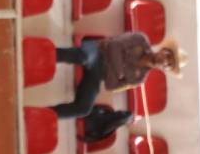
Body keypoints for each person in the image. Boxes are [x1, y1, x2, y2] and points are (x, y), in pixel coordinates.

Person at [50, 34, 188, 119]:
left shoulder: (139, 78)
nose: (164, 61)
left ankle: (46, 114)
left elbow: (111, 86)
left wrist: (117, 66)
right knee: (84, 56)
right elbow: (113, 45)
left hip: (98, 75)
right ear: (164, 50)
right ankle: (46, 54)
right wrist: (119, 73)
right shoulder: (140, 40)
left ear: (165, 69)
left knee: (84, 109)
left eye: (168, 64)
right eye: (168, 56)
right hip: (97, 51)